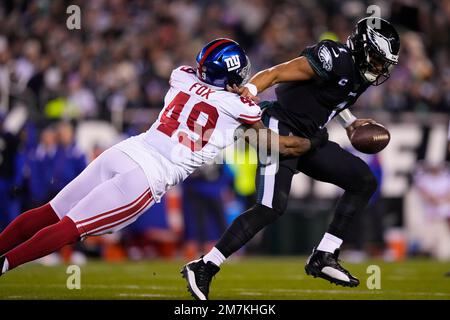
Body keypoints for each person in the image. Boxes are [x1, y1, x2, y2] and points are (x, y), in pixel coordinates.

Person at [0, 39, 323, 276]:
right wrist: (312, 143)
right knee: (71, 227)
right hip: (145, 176)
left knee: (48, 211)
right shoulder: (242, 108)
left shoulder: (181, 76)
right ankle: (4, 265)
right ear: (233, 77)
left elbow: (199, 79)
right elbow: (275, 146)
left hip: (125, 150)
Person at [183, 17, 400, 300]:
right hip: (279, 125)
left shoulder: (360, 73)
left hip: (309, 138)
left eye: (385, 62)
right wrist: (247, 94)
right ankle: (204, 266)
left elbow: (334, 98)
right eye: (376, 58)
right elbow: (275, 73)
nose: (380, 67)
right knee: (270, 207)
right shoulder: (333, 58)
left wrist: (350, 123)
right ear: (361, 47)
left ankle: (324, 254)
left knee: (364, 181)